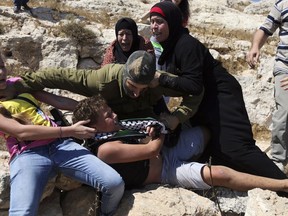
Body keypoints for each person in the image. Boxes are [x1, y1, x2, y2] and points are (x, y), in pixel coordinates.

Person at [148, 1, 288, 180]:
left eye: (159, 21)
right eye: (152, 22)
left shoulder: (186, 45)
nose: (153, 27)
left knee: (237, 150)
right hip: (205, 101)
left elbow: (193, 85)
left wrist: (161, 78)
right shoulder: (171, 47)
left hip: (222, 97)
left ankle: (282, 185)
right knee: (217, 151)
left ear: (173, 22)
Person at [72, 94, 288, 194]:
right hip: (167, 170)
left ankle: (226, 162)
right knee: (220, 174)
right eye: (108, 115)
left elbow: (150, 143)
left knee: (205, 132)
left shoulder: (115, 129)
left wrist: (155, 132)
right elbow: (151, 149)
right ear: (95, 126)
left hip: (167, 151)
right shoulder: (105, 150)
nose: (115, 115)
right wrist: (159, 131)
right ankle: (282, 184)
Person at [0, 62, 124, 215]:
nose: (1, 72)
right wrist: (70, 131)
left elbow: (58, 101)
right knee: (22, 213)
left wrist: (95, 112)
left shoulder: (17, 84)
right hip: (28, 154)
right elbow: (21, 132)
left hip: (60, 145)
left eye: (2, 66)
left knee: (114, 183)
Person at [0, 50, 203, 131]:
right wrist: (17, 86)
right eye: (132, 87)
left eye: (144, 88)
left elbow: (195, 91)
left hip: (146, 120)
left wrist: (178, 117)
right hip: (110, 121)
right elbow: (57, 77)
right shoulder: (102, 81)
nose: (137, 93)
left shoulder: (161, 81)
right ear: (124, 77)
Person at [246, 1, 288, 173]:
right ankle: (278, 161)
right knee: (284, 111)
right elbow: (265, 28)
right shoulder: (283, 4)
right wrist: (255, 46)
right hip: (284, 67)